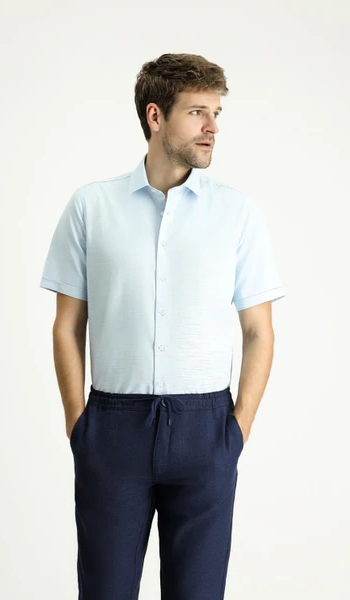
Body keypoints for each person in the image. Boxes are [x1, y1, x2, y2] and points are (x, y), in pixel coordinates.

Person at [39, 52, 285, 600]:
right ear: (156, 116)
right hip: (112, 429)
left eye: (216, 113)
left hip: (207, 430)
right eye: (198, 112)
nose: (213, 127)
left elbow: (258, 331)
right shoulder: (92, 206)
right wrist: (79, 424)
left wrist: (236, 431)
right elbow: (67, 325)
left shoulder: (237, 212)